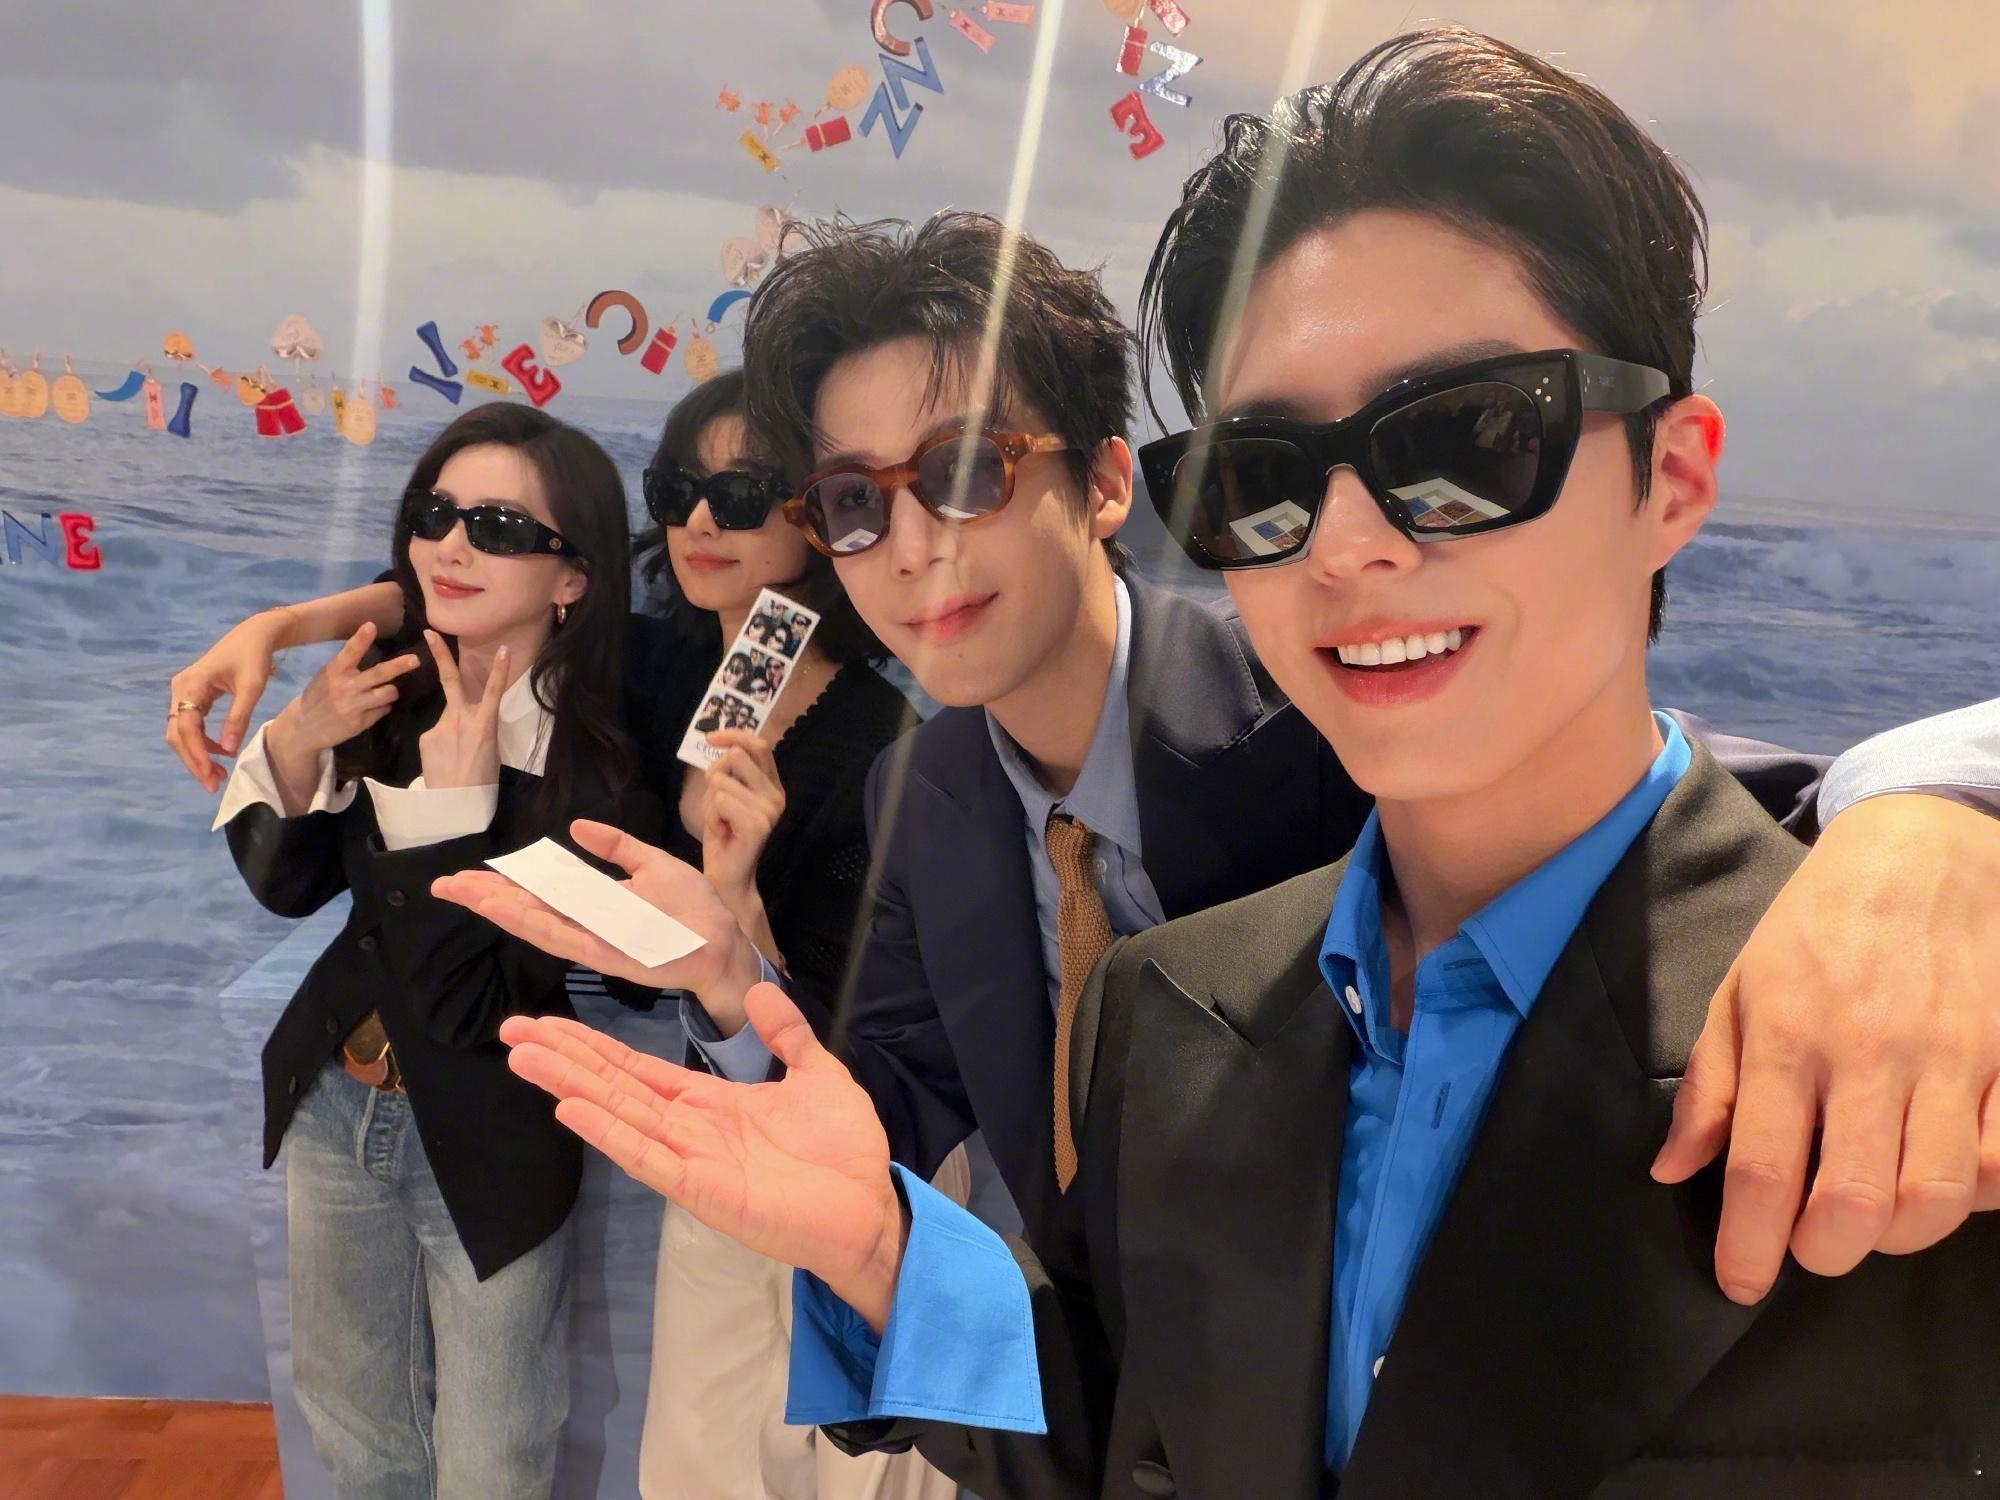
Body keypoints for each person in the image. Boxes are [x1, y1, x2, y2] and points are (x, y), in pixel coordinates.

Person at [491, 30, 2000, 1498]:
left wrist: (1934, 812)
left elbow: (1740, 800)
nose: (1347, 544)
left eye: (1466, 438)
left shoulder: (1893, 1022)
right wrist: (843, 1180)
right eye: (1261, 477)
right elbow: (1133, 1410)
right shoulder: (1141, 985)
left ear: (1669, 475)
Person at [175, 371, 952, 1500]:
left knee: (544, 1449)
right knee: (369, 1423)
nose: (701, 521)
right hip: (366, 1095)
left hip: (766, 1123)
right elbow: (443, 598)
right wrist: (280, 643)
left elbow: (658, 968)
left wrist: (471, 819)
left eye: (742, 495)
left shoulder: (685, 722)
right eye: (677, 492)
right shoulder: (644, 665)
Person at [209, 404, 656, 1499]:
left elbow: (462, 1004)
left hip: (493, 1130)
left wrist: (452, 818)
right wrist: (298, 739)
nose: (450, 546)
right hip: (333, 1100)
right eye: (434, 513)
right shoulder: (394, 699)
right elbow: (284, 888)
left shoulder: (601, 773)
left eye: (497, 527)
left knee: (495, 1453)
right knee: (354, 1425)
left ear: (571, 576)